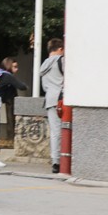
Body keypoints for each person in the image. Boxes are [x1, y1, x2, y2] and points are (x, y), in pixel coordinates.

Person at [40, 38, 65, 173]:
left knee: (55, 132)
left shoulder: (44, 65)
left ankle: (55, 161)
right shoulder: (61, 61)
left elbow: (44, 86)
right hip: (61, 99)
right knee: (64, 131)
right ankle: (63, 160)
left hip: (49, 100)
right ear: (60, 49)